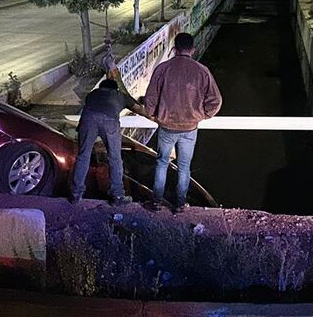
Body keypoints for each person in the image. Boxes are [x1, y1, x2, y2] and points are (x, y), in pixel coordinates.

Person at [144, 32, 222, 212]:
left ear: (174, 49)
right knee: (184, 167)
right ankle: (180, 204)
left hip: (166, 127)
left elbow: (150, 98)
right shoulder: (202, 71)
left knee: (162, 163)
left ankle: (156, 201)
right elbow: (215, 100)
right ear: (192, 50)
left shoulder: (162, 69)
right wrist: (203, 115)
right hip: (190, 127)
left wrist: (154, 114)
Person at [70, 67, 147, 205]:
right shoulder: (120, 96)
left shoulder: (92, 94)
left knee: (83, 156)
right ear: (116, 89)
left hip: (88, 120)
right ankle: (117, 196)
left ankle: (76, 193)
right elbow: (139, 109)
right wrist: (153, 117)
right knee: (115, 158)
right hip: (109, 122)